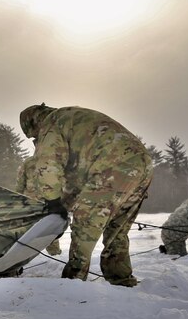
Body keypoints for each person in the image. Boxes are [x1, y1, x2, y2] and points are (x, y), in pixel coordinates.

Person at [19, 103, 153, 286]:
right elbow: (78, 171)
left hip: (113, 165)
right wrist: (66, 201)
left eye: (33, 136)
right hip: (142, 164)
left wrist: (53, 201)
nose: (36, 139)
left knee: (84, 224)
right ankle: (120, 279)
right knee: (117, 229)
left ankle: (73, 283)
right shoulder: (70, 117)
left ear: (33, 123)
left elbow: (48, 164)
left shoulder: (50, 124)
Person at [14, 155, 63, 255]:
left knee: (50, 227)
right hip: (35, 203)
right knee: (32, 229)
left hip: (48, 202)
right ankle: (23, 254)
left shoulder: (54, 161)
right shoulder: (29, 162)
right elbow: (20, 183)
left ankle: (54, 253)